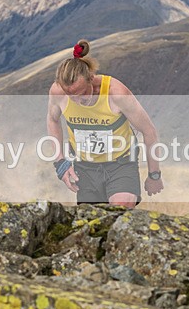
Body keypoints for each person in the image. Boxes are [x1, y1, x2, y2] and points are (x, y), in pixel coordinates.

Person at [46, 39, 164, 207]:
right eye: (71, 96)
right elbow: (52, 120)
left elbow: (149, 131)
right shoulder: (58, 92)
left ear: (91, 78)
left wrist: (154, 175)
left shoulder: (116, 93)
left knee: (119, 211)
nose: (78, 101)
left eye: (82, 93)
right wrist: (60, 163)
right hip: (85, 167)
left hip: (121, 164)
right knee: (91, 222)